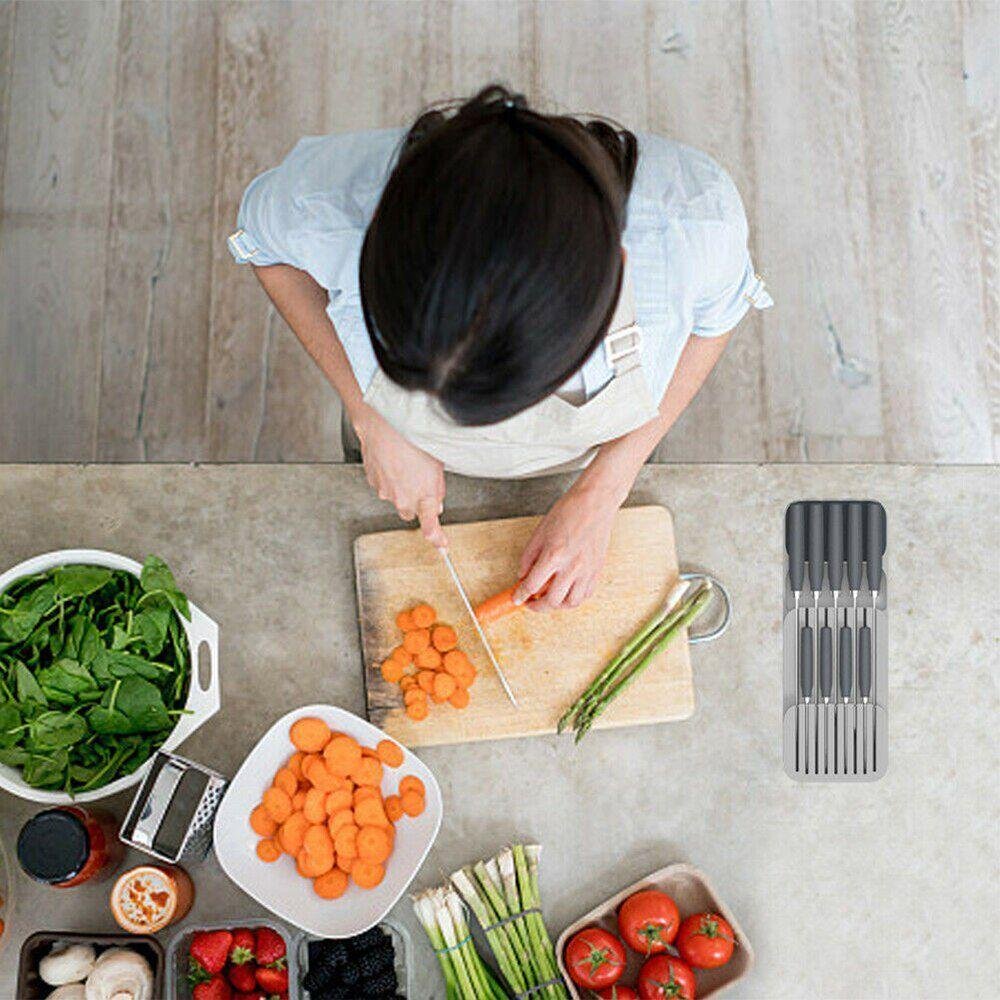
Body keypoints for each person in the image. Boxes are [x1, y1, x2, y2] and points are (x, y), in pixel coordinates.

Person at [227, 85, 771, 611]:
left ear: (616, 270)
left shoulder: (692, 225)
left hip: (596, 457)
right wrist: (372, 417)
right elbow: (266, 247)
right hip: (393, 453)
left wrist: (605, 490)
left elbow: (715, 321)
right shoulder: (326, 202)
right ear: (375, 234)